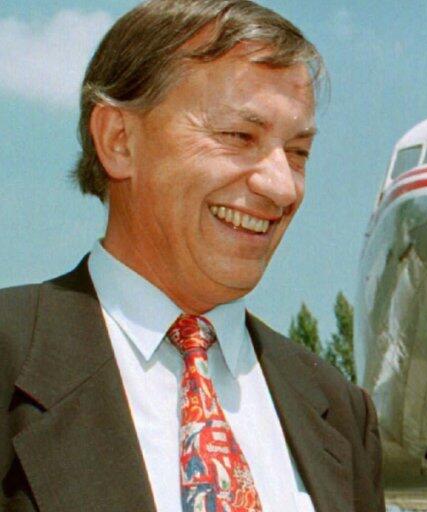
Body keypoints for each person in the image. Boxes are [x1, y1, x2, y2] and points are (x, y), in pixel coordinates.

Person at [0, 1, 384, 511]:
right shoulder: (11, 363)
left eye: (298, 153)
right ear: (119, 140)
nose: (282, 186)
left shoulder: (338, 411)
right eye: (238, 136)